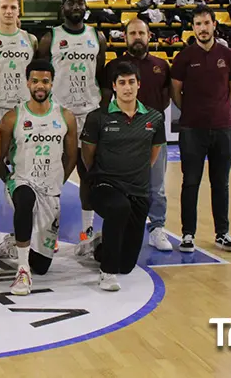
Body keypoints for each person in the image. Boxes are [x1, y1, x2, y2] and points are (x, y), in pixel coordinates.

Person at [77, 60, 166, 292]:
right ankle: (106, 273)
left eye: (131, 82)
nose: (127, 87)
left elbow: (152, 156)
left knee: (126, 265)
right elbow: (88, 155)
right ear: (114, 86)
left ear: (139, 85)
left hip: (137, 190)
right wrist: (101, 176)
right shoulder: (98, 117)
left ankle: (99, 245)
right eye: (122, 83)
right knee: (118, 208)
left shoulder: (154, 118)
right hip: (105, 186)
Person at [0, 60, 78, 294]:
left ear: (52, 83)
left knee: (42, 266)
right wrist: (10, 182)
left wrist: (58, 182)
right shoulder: (13, 117)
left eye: (45, 81)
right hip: (23, 181)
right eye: (34, 81)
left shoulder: (66, 117)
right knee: (24, 200)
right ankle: (22, 270)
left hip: (50, 189)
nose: (39, 86)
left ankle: (19, 246)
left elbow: (71, 157)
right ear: (27, 83)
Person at [37, 0, 107, 243]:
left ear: (86, 6)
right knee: (55, 174)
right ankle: (49, 228)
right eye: (71, 3)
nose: (76, 7)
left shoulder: (97, 37)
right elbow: (41, 77)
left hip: (89, 113)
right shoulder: (50, 38)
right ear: (63, 8)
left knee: (88, 174)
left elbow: (100, 76)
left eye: (80, 2)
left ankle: (87, 231)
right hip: (60, 114)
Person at [170, 6, 231, 253]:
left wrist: (218, 108)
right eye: (198, 24)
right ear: (193, 28)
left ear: (214, 25)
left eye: (206, 23)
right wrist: (192, 110)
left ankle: (222, 233)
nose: (202, 28)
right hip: (192, 129)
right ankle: (187, 233)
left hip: (223, 128)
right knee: (190, 182)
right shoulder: (184, 57)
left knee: (220, 183)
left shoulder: (228, 55)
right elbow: (175, 92)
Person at [103, 18, 172, 251]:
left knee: (156, 185)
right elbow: (104, 101)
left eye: (141, 33)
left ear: (149, 36)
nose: (137, 37)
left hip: (153, 134)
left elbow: (166, 98)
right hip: (122, 137)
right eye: (132, 33)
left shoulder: (161, 66)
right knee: (122, 184)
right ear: (125, 37)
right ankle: (121, 226)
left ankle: (157, 228)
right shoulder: (114, 66)